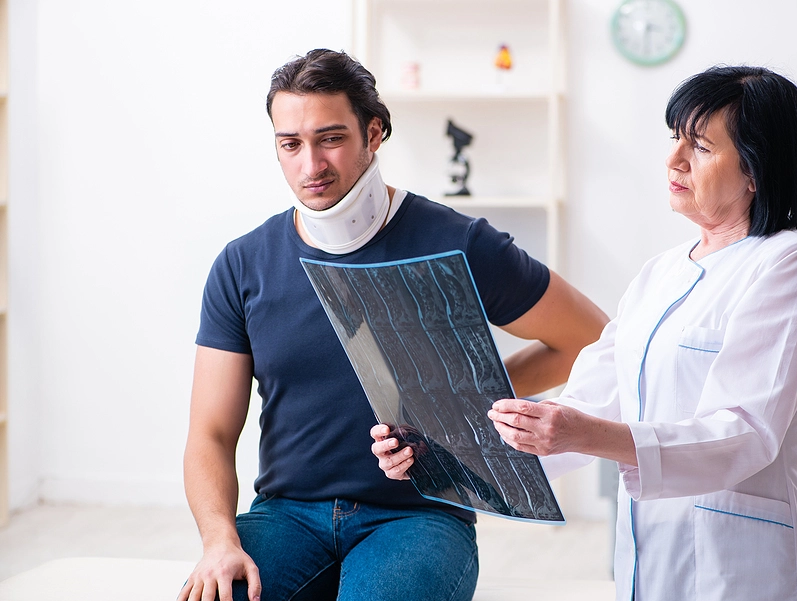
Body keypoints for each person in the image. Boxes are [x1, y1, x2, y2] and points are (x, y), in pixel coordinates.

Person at [374, 66, 797, 601]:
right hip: (649, 553)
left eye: (701, 147)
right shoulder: (659, 274)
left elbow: (744, 431)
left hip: (743, 563)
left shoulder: (792, 262)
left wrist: (584, 434)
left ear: (757, 169)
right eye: (675, 139)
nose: (674, 160)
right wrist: (441, 450)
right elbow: (586, 407)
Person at [178, 48, 608, 601]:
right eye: (291, 145)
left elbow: (589, 336)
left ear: (374, 132)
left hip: (417, 519)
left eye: (331, 138)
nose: (311, 165)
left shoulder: (458, 242)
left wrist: (459, 405)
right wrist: (218, 540)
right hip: (287, 514)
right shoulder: (243, 265)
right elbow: (209, 434)